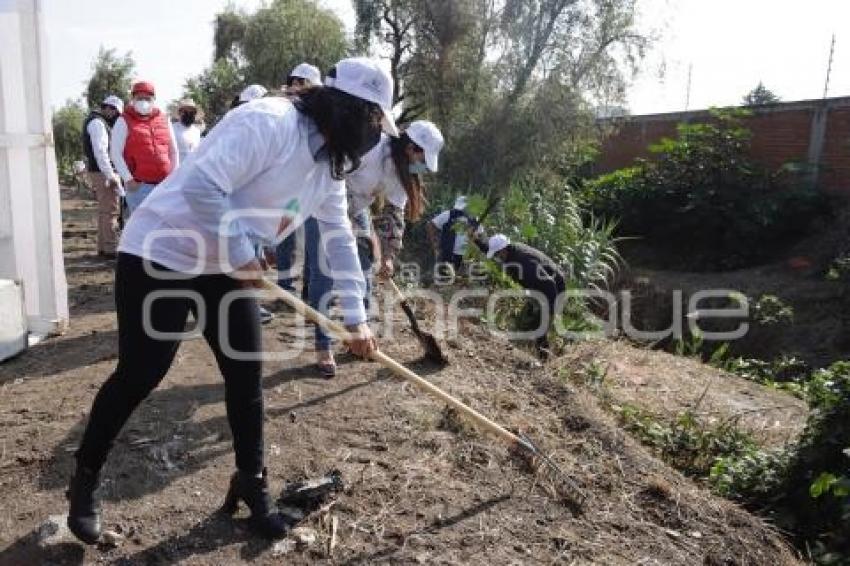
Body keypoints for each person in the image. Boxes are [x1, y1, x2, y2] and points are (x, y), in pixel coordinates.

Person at [66, 57, 397, 544]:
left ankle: (252, 485)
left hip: (223, 260)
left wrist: (356, 317)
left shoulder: (327, 164)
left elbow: (338, 235)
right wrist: (243, 254)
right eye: (374, 123)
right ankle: (85, 483)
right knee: (142, 372)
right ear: (349, 109)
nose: (374, 137)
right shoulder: (269, 122)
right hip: (164, 249)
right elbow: (204, 185)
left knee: (246, 373)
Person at [307, 120, 445, 377]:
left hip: (356, 210)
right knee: (323, 275)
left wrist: (388, 256)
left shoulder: (403, 174)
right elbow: (330, 171)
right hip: (322, 201)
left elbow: (394, 217)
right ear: (411, 148)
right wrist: (345, 224)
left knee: (364, 270)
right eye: (423, 158)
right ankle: (323, 345)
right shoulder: (371, 147)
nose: (423, 166)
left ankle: (357, 336)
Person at [276, 64, 321, 294]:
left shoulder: (321, 116)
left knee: (314, 242)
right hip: (288, 186)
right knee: (285, 236)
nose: (296, 86)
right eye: (294, 81)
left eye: (302, 82)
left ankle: (309, 288)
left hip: (312, 184)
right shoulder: (281, 109)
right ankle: (284, 286)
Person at [483, 234, 566, 358]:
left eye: (497, 254)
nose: (496, 258)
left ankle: (543, 360)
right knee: (528, 320)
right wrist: (477, 241)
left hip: (553, 290)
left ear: (503, 250)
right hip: (540, 286)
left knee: (541, 327)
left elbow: (549, 283)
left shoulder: (524, 264)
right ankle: (531, 348)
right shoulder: (511, 251)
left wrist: (551, 309)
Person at [111, 81, 179, 215]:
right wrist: (128, 179)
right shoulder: (124, 120)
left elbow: (173, 150)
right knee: (141, 229)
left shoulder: (164, 119)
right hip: (139, 187)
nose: (143, 101)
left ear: (154, 100)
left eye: (147, 98)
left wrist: (173, 178)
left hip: (164, 187)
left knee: (163, 227)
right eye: (139, 98)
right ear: (132, 99)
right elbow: (115, 153)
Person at [81, 95, 124, 258]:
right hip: (102, 171)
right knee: (111, 211)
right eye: (115, 113)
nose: (115, 117)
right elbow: (101, 152)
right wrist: (111, 175)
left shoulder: (94, 121)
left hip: (97, 170)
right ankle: (110, 248)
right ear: (109, 108)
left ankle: (103, 247)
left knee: (104, 211)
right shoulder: (99, 124)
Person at [428, 196, 479, 272]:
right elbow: (431, 225)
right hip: (446, 253)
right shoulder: (448, 214)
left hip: (464, 256)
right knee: (442, 277)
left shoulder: (474, 219)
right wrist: (434, 244)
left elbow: (479, 236)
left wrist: (474, 252)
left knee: (459, 280)